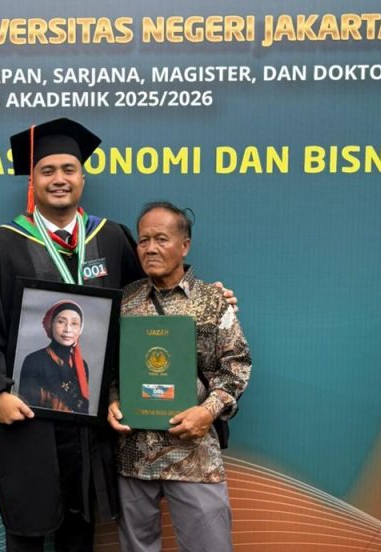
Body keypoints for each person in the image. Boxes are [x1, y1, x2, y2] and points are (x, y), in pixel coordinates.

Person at [0, 119, 238, 551]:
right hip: (27, 410)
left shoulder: (109, 237)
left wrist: (205, 294)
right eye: (47, 170)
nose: (59, 179)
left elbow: (149, 294)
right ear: (33, 181)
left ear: (82, 178)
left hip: (92, 413)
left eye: (68, 169)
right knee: (29, 524)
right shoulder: (3, 244)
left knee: (81, 523)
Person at [108, 201, 251, 552]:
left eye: (161, 239)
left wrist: (207, 411)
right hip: (134, 455)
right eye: (143, 240)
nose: (150, 248)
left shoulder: (212, 300)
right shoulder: (124, 301)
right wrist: (112, 400)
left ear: (184, 245)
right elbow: (111, 368)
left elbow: (236, 365)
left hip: (193, 456)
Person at [19, 300, 90, 414]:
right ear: (50, 324)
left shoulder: (82, 365)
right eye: (61, 322)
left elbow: (83, 411)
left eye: (74, 323)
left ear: (80, 329)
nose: (68, 329)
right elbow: (27, 406)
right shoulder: (34, 360)